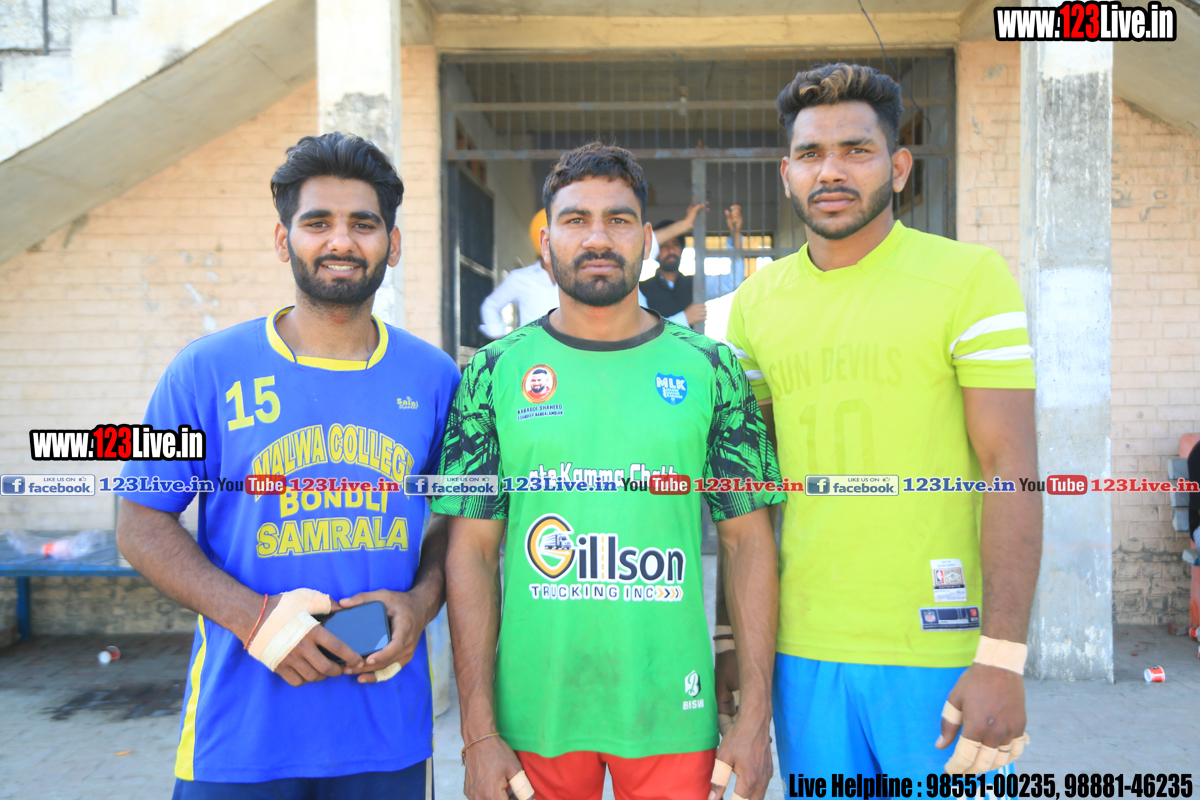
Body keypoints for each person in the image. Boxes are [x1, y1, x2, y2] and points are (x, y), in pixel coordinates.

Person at [115, 132, 460, 799]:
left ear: (392, 243)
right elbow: (140, 522)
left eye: (363, 224)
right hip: (240, 737)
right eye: (317, 223)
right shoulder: (204, 371)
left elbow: (456, 522)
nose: (341, 241)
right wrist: (254, 618)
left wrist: (420, 603)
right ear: (283, 240)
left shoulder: (435, 377)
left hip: (384, 727)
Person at [436, 142, 784, 800]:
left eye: (618, 220)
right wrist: (478, 733)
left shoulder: (712, 369)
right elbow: (472, 553)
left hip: (673, 713)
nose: (597, 238)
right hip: (532, 718)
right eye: (576, 220)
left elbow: (748, 541)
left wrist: (754, 718)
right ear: (547, 244)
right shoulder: (490, 373)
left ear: (648, 240)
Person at [722, 63, 1041, 777]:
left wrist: (1002, 657)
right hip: (805, 655)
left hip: (940, 650)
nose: (830, 171)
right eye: (810, 154)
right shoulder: (755, 305)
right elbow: (746, 498)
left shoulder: (969, 279)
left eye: (856, 151)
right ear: (787, 174)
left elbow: (1011, 468)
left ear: (898, 168)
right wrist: (734, 648)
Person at [481, 209, 703, 339]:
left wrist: (685, 225)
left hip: (583, 357)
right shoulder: (521, 279)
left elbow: (642, 246)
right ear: (544, 241)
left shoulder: (591, 271)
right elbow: (490, 306)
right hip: (535, 362)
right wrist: (503, 341)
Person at [640, 204, 747, 329]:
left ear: (682, 249)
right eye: (664, 246)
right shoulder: (642, 290)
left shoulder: (696, 284)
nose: (671, 250)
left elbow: (732, 282)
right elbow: (644, 331)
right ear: (654, 251)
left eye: (675, 244)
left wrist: (735, 233)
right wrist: (685, 318)